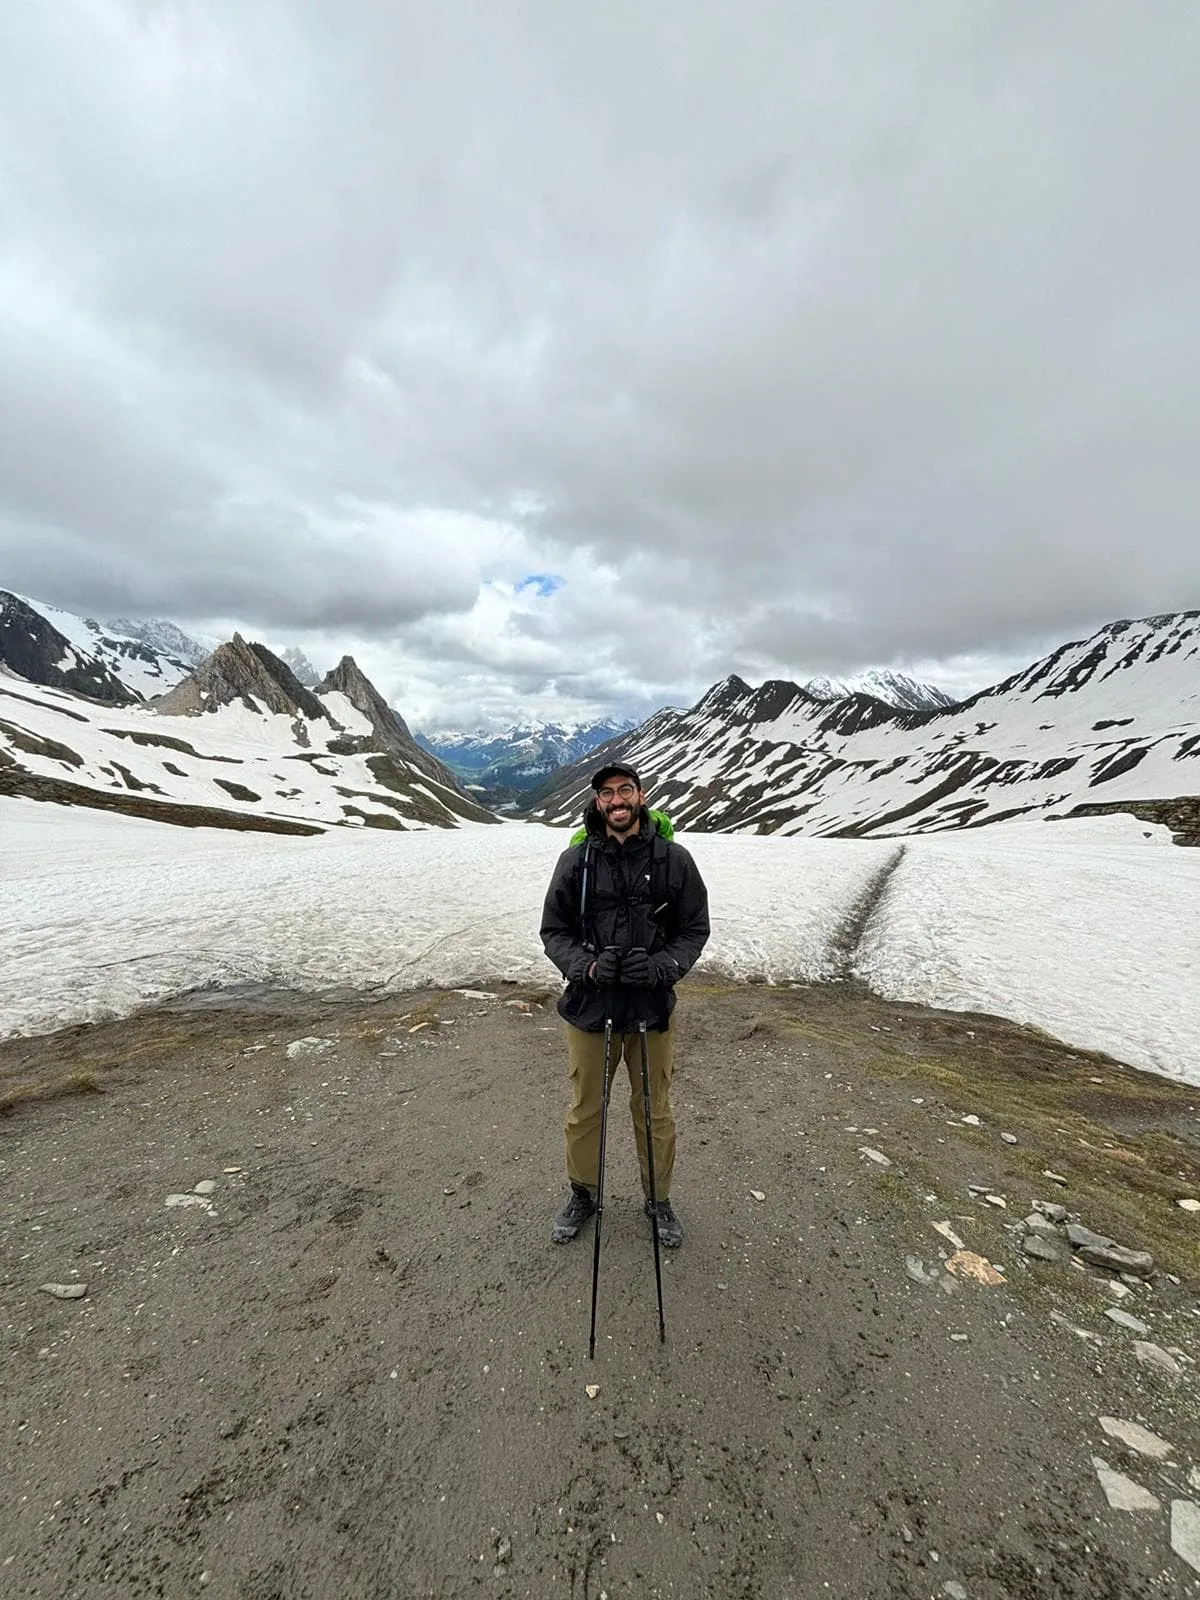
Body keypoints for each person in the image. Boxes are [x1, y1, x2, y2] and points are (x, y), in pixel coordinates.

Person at [540, 761, 710, 1248]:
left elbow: (693, 929)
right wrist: (586, 967)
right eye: (607, 794)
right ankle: (583, 1194)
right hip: (589, 1008)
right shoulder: (576, 863)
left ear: (641, 795)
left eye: (625, 791)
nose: (617, 801)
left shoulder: (674, 860)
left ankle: (658, 1200)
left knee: (655, 1108)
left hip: (651, 1008)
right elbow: (555, 931)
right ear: (597, 802)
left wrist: (663, 967)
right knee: (585, 1108)